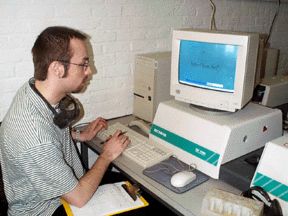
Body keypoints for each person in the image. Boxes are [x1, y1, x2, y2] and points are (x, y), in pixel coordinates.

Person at [0, 26, 131, 216]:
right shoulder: (34, 137)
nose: (90, 71)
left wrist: (80, 135)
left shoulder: (34, 91)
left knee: (131, 188)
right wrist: (106, 155)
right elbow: (79, 198)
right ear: (57, 69)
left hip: (63, 192)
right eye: (83, 64)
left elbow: (49, 130)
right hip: (48, 209)